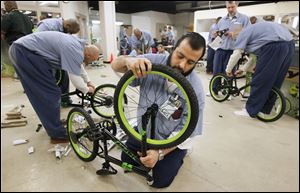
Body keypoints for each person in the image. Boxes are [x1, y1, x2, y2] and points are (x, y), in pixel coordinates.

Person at [111, 32, 206, 188]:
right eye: (180, 56)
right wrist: (129, 61)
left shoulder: (196, 92)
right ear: (173, 48)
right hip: (143, 131)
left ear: (197, 63)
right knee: (126, 161)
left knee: (160, 181)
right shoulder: (151, 63)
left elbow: (189, 131)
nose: (182, 65)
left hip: (170, 140)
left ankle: (179, 155)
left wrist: (160, 153)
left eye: (190, 62)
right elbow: (115, 64)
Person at [9, 31, 99, 144]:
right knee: (48, 93)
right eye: (93, 60)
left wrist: (88, 81)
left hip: (25, 50)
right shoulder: (74, 49)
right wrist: (87, 89)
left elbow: (78, 67)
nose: (91, 63)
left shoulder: (78, 46)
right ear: (88, 55)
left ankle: (53, 123)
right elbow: (75, 78)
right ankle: (57, 134)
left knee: (48, 91)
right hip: (25, 52)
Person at [224, 21, 295, 118]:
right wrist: (243, 69)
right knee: (275, 80)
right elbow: (254, 57)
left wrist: (228, 70)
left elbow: (236, 54)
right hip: (290, 45)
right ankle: (264, 110)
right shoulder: (257, 32)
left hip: (274, 46)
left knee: (260, 79)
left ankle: (250, 110)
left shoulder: (243, 34)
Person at [37, 18, 80, 107]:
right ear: (67, 25)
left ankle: (65, 99)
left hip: (55, 55)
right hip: (43, 55)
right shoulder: (48, 26)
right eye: (70, 32)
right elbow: (38, 43)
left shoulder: (63, 28)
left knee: (64, 76)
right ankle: (50, 103)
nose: (69, 34)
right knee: (51, 79)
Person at [212, 1, 249, 76]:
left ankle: (227, 88)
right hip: (219, 50)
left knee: (229, 75)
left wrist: (234, 34)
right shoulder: (222, 20)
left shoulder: (244, 19)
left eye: (232, 7)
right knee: (216, 74)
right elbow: (216, 34)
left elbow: (248, 34)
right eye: (228, 7)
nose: (230, 9)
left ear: (237, 5)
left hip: (233, 52)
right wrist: (216, 34)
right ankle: (215, 88)